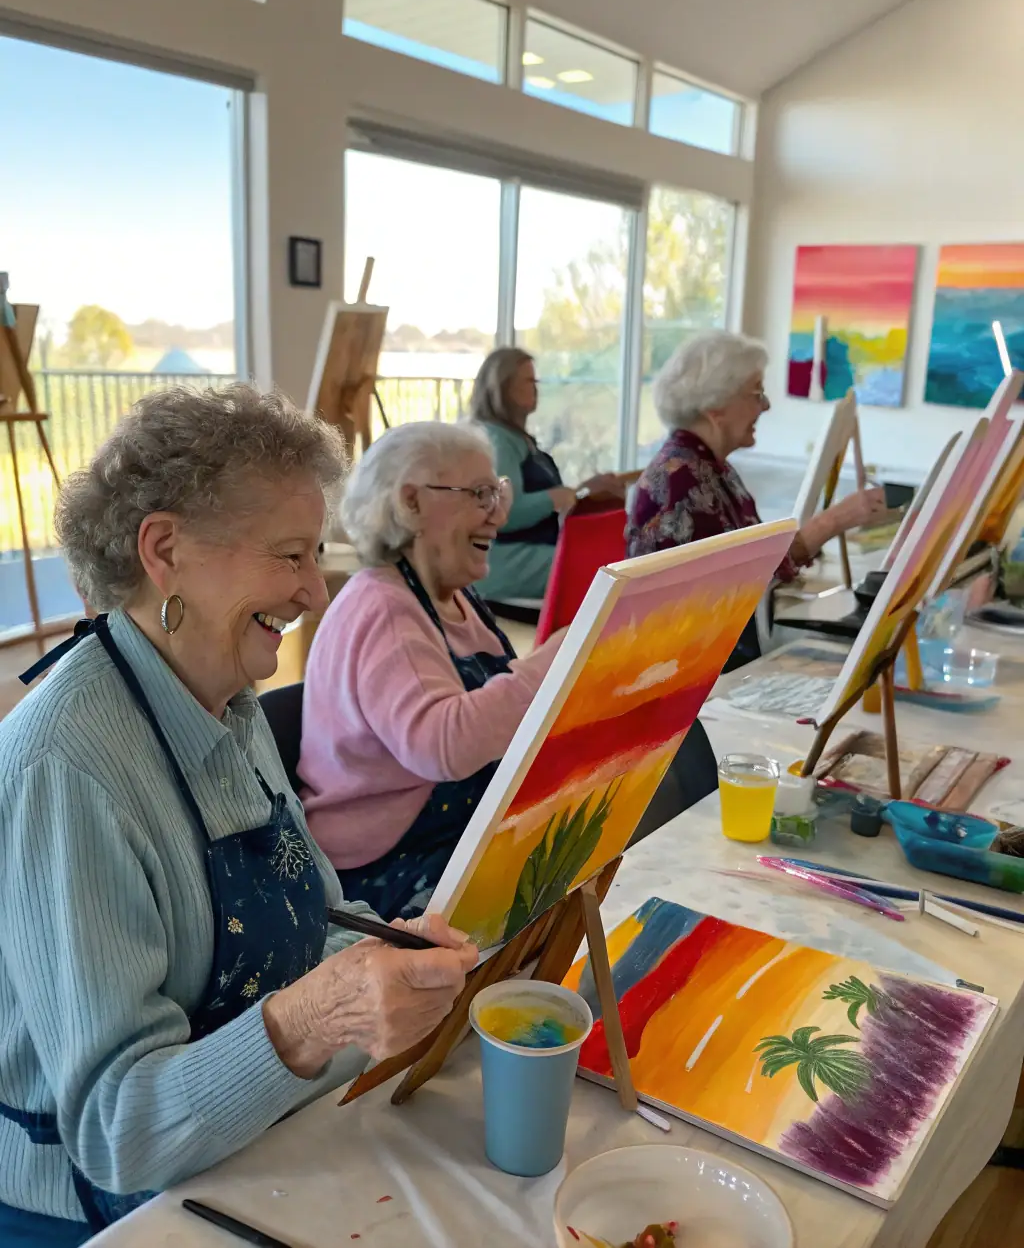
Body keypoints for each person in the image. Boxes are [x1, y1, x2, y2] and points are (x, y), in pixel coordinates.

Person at [0, 386, 476, 1244]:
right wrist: (319, 1017)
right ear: (165, 549)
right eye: (290, 556)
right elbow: (117, 1130)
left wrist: (390, 953)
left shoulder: (224, 692)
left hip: (244, 1136)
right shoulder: (64, 766)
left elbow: (314, 914)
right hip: (100, 1209)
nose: (314, 594)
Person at [299, 421, 565, 921]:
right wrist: (552, 665)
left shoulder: (457, 598)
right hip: (376, 870)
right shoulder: (385, 609)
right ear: (412, 504)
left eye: (498, 494)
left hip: (447, 835)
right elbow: (443, 746)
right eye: (480, 495)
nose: (497, 515)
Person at [627, 332, 886, 665]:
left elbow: (760, 563)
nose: (765, 406)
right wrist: (833, 521)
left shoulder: (710, 469)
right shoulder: (680, 481)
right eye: (756, 394)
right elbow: (738, 585)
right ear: (715, 407)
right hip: (690, 676)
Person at [469, 348, 622, 604]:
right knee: (607, 571)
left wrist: (584, 490)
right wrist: (558, 496)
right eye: (529, 381)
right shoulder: (498, 440)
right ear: (503, 387)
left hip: (533, 550)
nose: (536, 388)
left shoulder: (515, 438)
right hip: (508, 562)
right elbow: (507, 511)